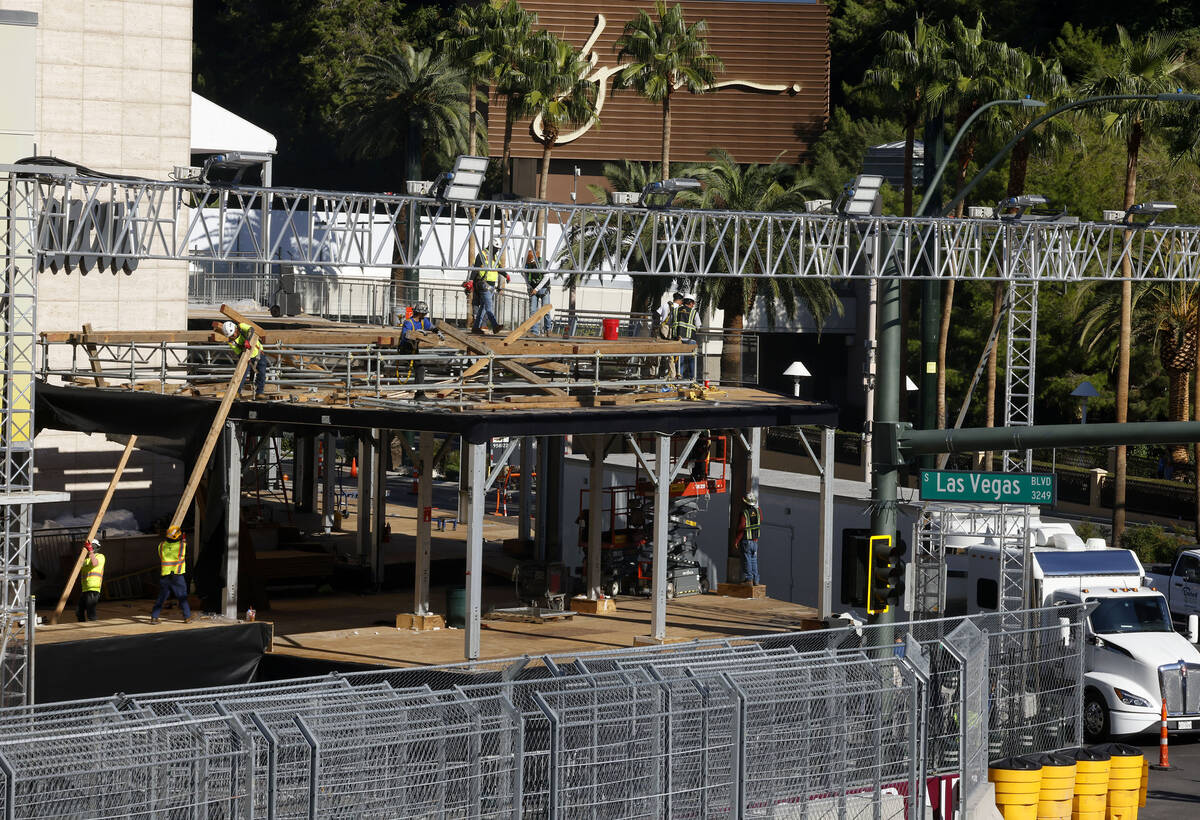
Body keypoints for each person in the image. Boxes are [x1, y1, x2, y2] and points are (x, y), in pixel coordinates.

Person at [150, 526, 192, 624]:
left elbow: (162, 555)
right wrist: (183, 538)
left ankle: (154, 617)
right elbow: (185, 548)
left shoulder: (161, 545)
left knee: (162, 596)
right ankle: (187, 617)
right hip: (177, 575)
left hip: (165, 575)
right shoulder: (182, 546)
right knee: (182, 596)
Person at [218, 320, 268, 399]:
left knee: (261, 374)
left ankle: (260, 392)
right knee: (241, 374)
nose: (233, 336)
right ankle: (237, 393)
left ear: (235, 329)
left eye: (233, 334)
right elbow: (238, 353)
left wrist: (247, 340)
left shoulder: (241, 326)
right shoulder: (231, 342)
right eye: (231, 336)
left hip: (258, 353)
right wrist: (245, 356)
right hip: (246, 357)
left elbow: (251, 329)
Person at [472, 239, 508, 334]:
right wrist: (471, 281)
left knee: (483, 308)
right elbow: (475, 269)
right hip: (483, 284)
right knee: (488, 307)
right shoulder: (482, 255)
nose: (497, 250)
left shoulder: (495, 257)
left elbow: (498, 268)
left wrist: (505, 275)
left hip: (491, 285)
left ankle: (476, 327)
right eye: (496, 248)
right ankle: (495, 325)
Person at [400, 301, 434, 391]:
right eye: (424, 313)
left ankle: (417, 389)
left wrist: (437, 331)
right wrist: (416, 333)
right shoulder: (408, 323)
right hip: (406, 349)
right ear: (420, 312)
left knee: (420, 368)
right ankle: (418, 392)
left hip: (415, 349)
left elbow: (431, 327)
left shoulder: (423, 321)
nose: (425, 315)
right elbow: (406, 336)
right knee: (420, 368)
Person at [734, 493, 762, 585]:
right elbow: (760, 520)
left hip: (746, 541)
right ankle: (756, 580)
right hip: (755, 541)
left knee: (747, 560)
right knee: (754, 560)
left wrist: (736, 540)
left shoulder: (744, 513)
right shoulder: (758, 511)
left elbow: (741, 528)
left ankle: (749, 579)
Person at [76, 538, 104, 622]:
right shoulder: (86, 560)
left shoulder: (100, 556)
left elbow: (95, 563)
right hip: (85, 589)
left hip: (93, 588)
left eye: (90, 547)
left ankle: (95, 629)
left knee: (90, 613)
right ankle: (82, 627)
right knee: (79, 611)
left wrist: (91, 552)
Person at [672, 294, 700, 380]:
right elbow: (698, 325)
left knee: (680, 358)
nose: (693, 305)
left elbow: (671, 322)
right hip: (690, 339)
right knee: (692, 359)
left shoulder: (675, 310)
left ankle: (679, 376)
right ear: (690, 303)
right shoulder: (693, 312)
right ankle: (692, 378)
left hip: (677, 339)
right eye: (693, 303)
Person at [526, 250, 553, 335]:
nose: (532, 264)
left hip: (544, 289)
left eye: (532, 262)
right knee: (533, 311)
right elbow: (525, 275)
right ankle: (534, 331)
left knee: (545, 311)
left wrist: (536, 289)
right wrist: (529, 287)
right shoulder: (527, 265)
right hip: (533, 288)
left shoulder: (544, 263)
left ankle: (548, 329)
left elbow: (546, 278)